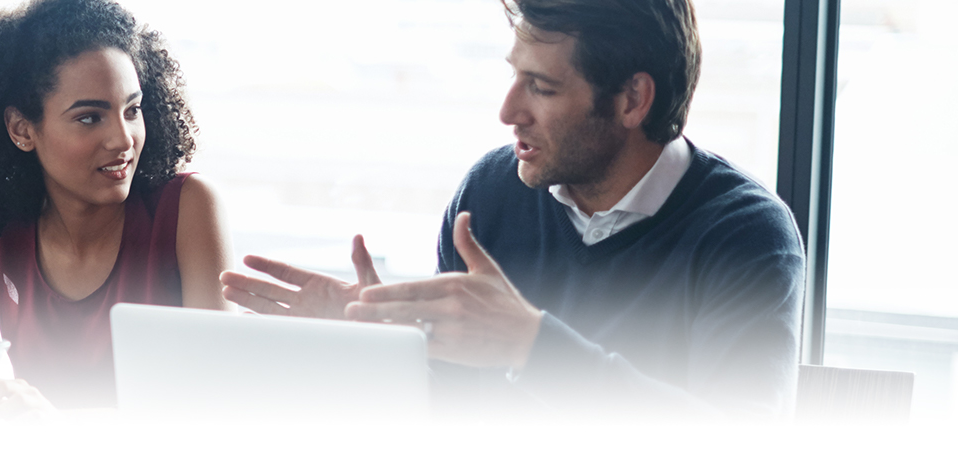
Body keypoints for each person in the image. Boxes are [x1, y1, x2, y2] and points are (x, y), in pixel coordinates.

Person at [220, 0, 802, 419]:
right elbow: (450, 408)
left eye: (541, 87)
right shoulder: (492, 193)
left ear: (631, 99)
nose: (508, 110)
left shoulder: (746, 234)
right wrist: (369, 350)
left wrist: (531, 345)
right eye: (513, 76)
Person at [0, 0, 229, 411]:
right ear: (22, 129)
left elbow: (216, 404)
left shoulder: (186, 210)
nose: (123, 139)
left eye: (132, 110)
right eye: (90, 118)